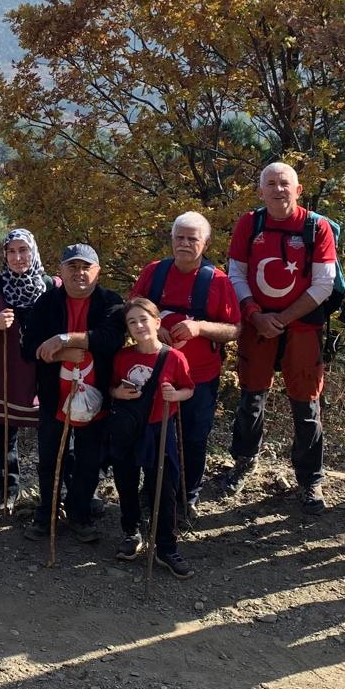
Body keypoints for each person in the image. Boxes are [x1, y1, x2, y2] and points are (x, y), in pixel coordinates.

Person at [223, 162, 339, 514]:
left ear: (298, 189)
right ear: (260, 192)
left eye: (284, 183)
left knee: (306, 406)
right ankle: (244, 462)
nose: (278, 190)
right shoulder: (250, 223)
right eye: (270, 184)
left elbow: (324, 283)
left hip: (302, 326)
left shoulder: (316, 227)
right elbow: (235, 273)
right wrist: (257, 315)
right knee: (250, 399)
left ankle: (310, 480)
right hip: (258, 324)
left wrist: (283, 318)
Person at [128, 212, 239, 520]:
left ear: (205, 243)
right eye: (180, 237)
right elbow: (133, 306)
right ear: (172, 239)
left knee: (192, 437)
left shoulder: (217, 281)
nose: (185, 243)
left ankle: (186, 496)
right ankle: (152, 491)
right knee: (152, 434)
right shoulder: (155, 272)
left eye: (193, 238)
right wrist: (153, 326)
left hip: (199, 377)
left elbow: (234, 330)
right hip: (154, 371)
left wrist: (200, 328)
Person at [20, 244, 126, 542]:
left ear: (97, 271)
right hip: (55, 397)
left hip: (97, 397)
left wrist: (65, 339)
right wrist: (60, 353)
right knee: (49, 458)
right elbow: (28, 348)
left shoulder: (110, 301)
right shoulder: (47, 302)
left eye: (85, 267)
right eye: (72, 267)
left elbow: (111, 339)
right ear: (61, 272)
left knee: (89, 460)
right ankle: (47, 511)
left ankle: (79, 512)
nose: (79, 273)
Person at [109, 298, 195, 577]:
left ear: (157, 322)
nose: (138, 326)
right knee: (126, 480)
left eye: (144, 319)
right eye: (132, 322)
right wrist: (117, 393)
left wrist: (176, 395)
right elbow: (111, 388)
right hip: (129, 429)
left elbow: (189, 389)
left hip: (160, 428)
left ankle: (166, 547)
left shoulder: (174, 357)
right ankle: (131, 532)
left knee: (165, 487)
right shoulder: (122, 357)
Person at [0, 228, 53, 514]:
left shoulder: (50, 285)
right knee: (3, 436)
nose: (18, 257)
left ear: (33, 251)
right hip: (2, 373)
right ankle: (8, 490)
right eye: (11, 251)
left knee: (52, 438)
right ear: (4, 255)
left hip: (40, 377)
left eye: (23, 250)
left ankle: (52, 495)